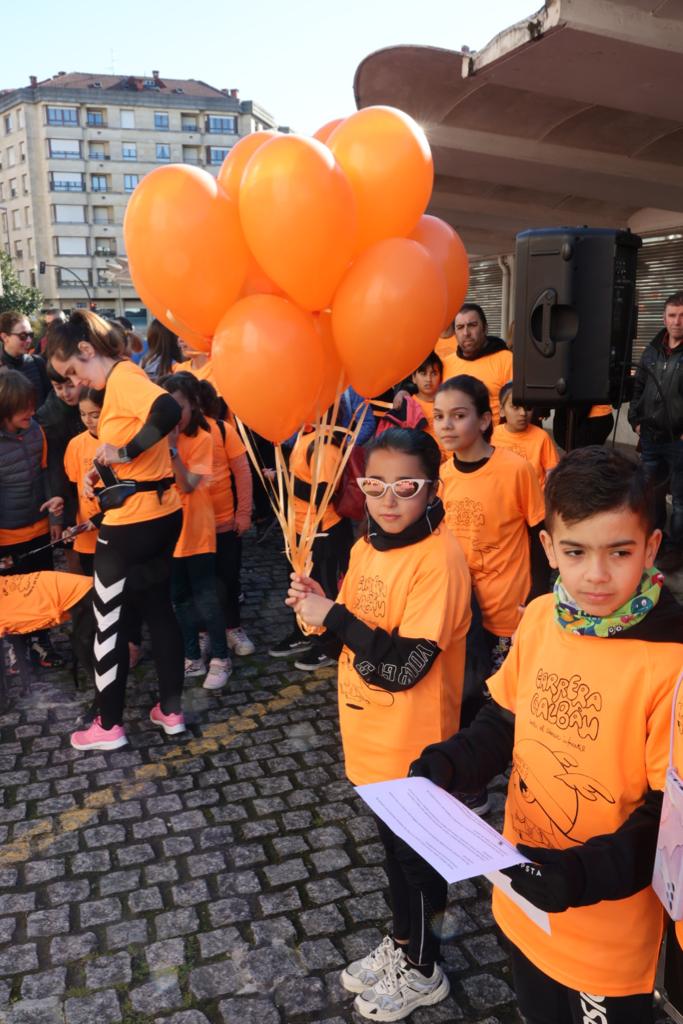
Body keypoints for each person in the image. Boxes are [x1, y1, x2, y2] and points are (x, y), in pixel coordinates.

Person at [411, 446, 682, 1024]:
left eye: (620, 552)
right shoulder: (539, 617)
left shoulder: (671, 662)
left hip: (609, 938)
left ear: (651, 548)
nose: (596, 575)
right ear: (549, 548)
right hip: (524, 903)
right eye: (576, 552)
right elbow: (505, 721)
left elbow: (668, 822)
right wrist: (449, 763)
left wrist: (577, 876)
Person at [286, 427, 471, 1022]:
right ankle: (402, 944)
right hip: (366, 736)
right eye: (374, 485)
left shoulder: (438, 559)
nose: (389, 500)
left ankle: (423, 969)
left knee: (415, 859)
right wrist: (318, 605)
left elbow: (407, 665)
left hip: (412, 745)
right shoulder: (367, 546)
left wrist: (334, 616)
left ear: (432, 489)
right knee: (392, 854)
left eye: (406, 486)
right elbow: (355, 625)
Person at [47, 309, 186, 751]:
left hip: (132, 526)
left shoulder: (124, 378)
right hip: (161, 513)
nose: (77, 383)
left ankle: (107, 726)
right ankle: (171, 711)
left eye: (73, 371)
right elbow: (138, 454)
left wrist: (123, 450)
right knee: (159, 610)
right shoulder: (121, 381)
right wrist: (102, 470)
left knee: (109, 621)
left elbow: (167, 410)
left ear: (87, 350)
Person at [434, 375, 546, 810]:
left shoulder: (516, 469)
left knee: (498, 700)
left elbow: (541, 534)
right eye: (440, 416)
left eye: (458, 416)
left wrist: (538, 599)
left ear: (484, 420)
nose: (446, 426)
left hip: (507, 611)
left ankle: (500, 778)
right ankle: (469, 775)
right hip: (462, 612)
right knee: (463, 693)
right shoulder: (442, 477)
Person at [162, 372, 232, 691]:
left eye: (180, 407)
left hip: (198, 531)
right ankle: (192, 654)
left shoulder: (202, 437)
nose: (174, 416)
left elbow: (188, 485)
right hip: (169, 533)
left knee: (206, 597)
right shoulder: (156, 436)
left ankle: (220, 657)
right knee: (179, 598)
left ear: (193, 405)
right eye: (167, 408)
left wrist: (173, 449)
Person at [268, 422, 353, 670]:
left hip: (324, 530)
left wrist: (283, 478)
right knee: (299, 584)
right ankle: (304, 633)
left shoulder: (324, 443)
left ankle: (329, 643)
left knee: (324, 588)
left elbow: (324, 492)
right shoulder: (304, 436)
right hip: (299, 528)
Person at [0, 369, 65, 670]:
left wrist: (54, 517)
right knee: (12, 596)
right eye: (22, 405)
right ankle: (14, 645)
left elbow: (47, 473)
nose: (31, 410)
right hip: (6, 537)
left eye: (32, 403)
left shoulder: (37, 431)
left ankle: (42, 641)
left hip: (39, 530)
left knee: (39, 591)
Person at [197, 379, 254, 657]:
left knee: (228, 579)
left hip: (225, 523)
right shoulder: (174, 437)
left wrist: (243, 513)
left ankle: (233, 628)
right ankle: (203, 632)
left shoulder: (223, 429)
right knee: (199, 582)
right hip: (193, 529)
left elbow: (242, 473)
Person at [628, 289, 683, 566]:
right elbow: (639, 388)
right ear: (664, 318)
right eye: (672, 315)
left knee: (681, 502)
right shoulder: (651, 351)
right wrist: (635, 420)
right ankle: (656, 541)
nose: (677, 321)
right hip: (650, 438)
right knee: (651, 495)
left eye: (682, 316)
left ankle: (675, 549)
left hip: (679, 441)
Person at [36, 363, 84, 568]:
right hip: (66, 493)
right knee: (72, 549)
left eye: (70, 385)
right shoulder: (48, 416)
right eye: (58, 387)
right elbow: (53, 467)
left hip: (92, 484)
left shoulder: (94, 400)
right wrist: (57, 517)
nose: (66, 393)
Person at [442, 304, 513, 426]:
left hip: (495, 441)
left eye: (472, 325)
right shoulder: (446, 363)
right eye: (460, 327)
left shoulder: (506, 360)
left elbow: (518, 408)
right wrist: (406, 390)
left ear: (485, 328)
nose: (466, 333)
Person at [63, 388, 105, 577]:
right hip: (87, 533)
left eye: (94, 415)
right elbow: (72, 488)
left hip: (116, 529)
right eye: (82, 414)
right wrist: (70, 523)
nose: (88, 420)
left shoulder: (118, 442)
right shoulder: (76, 444)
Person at [493, 382, 559, 489]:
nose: (523, 413)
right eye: (515, 407)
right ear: (501, 411)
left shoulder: (541, 437)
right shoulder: (492, 437)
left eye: (528, 408)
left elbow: (553, 474)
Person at [0, 310, 50, 407]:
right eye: (23, 336)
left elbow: (49, 399)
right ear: (5, 337)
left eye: (30, 335)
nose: (29, 340)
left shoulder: (38, 362)